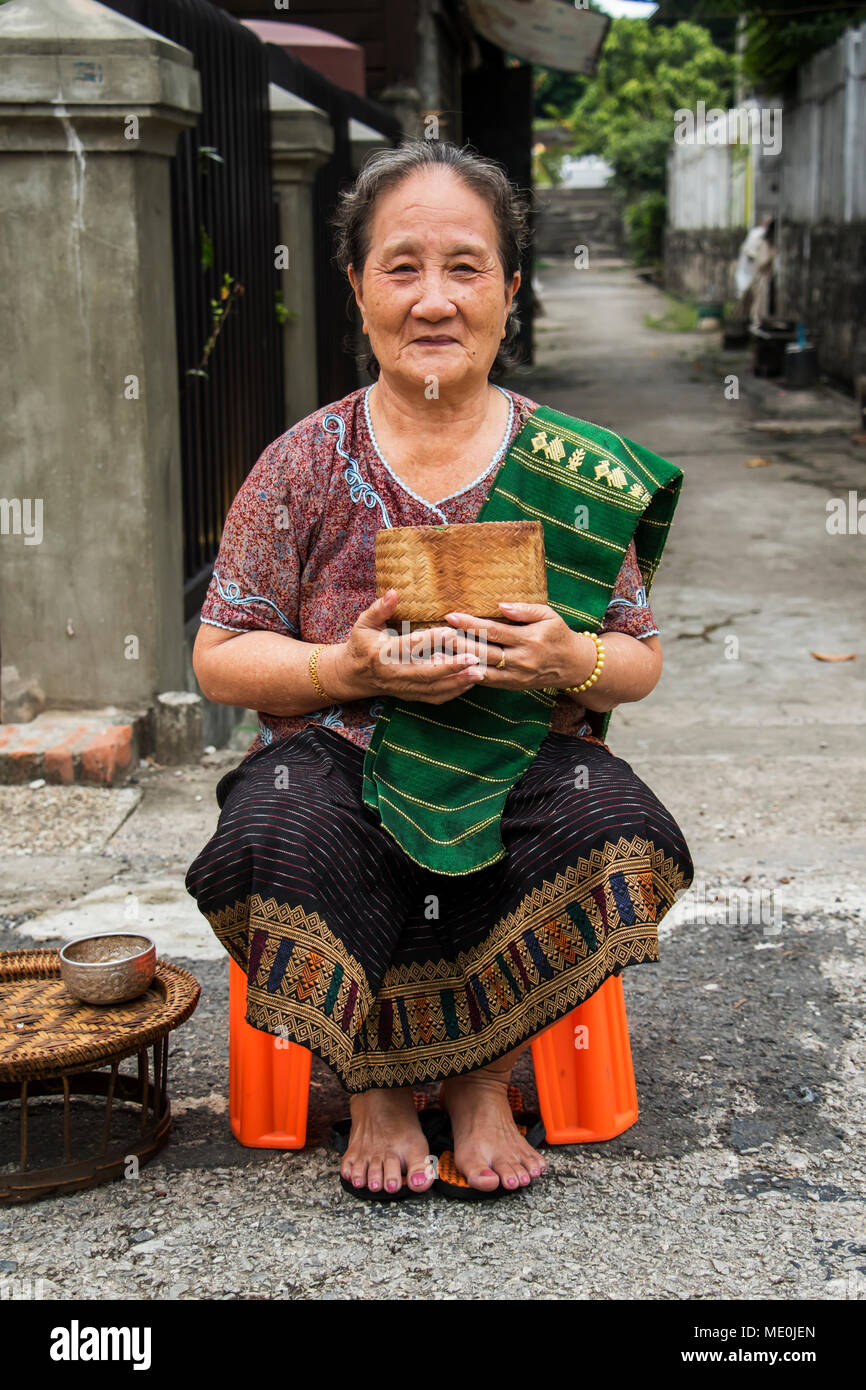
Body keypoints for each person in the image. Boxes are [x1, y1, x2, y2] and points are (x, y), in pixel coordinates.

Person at [185, 140, 694, 1200]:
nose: (432, 299)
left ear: (510, 289)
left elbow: (636, 660)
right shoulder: (302, 463)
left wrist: (569, 656)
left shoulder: (577, 465)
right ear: (356, 287)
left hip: (520, 753)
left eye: (464, 266)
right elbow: (220, 655)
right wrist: (342, 668)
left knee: (615, 826)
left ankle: (478, 1075)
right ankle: (373, 1082)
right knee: (280, 823)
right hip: (338, 755)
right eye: (400, 266)